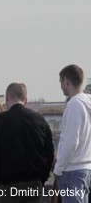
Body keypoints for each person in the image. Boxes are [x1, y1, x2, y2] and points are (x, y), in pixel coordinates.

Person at [0, 83, 54, 203]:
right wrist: (42, 179)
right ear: (26, 99)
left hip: (6, 185)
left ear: (7, 98)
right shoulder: (39, 120)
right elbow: (49, 153)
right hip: (33, 184)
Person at [55, 65, 91, 203]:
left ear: (66, 81)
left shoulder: (74, 104)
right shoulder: (87, 102)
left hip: (72, 170)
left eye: (60, 82)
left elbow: (71, 141)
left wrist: (59, 168)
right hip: (86, 168)